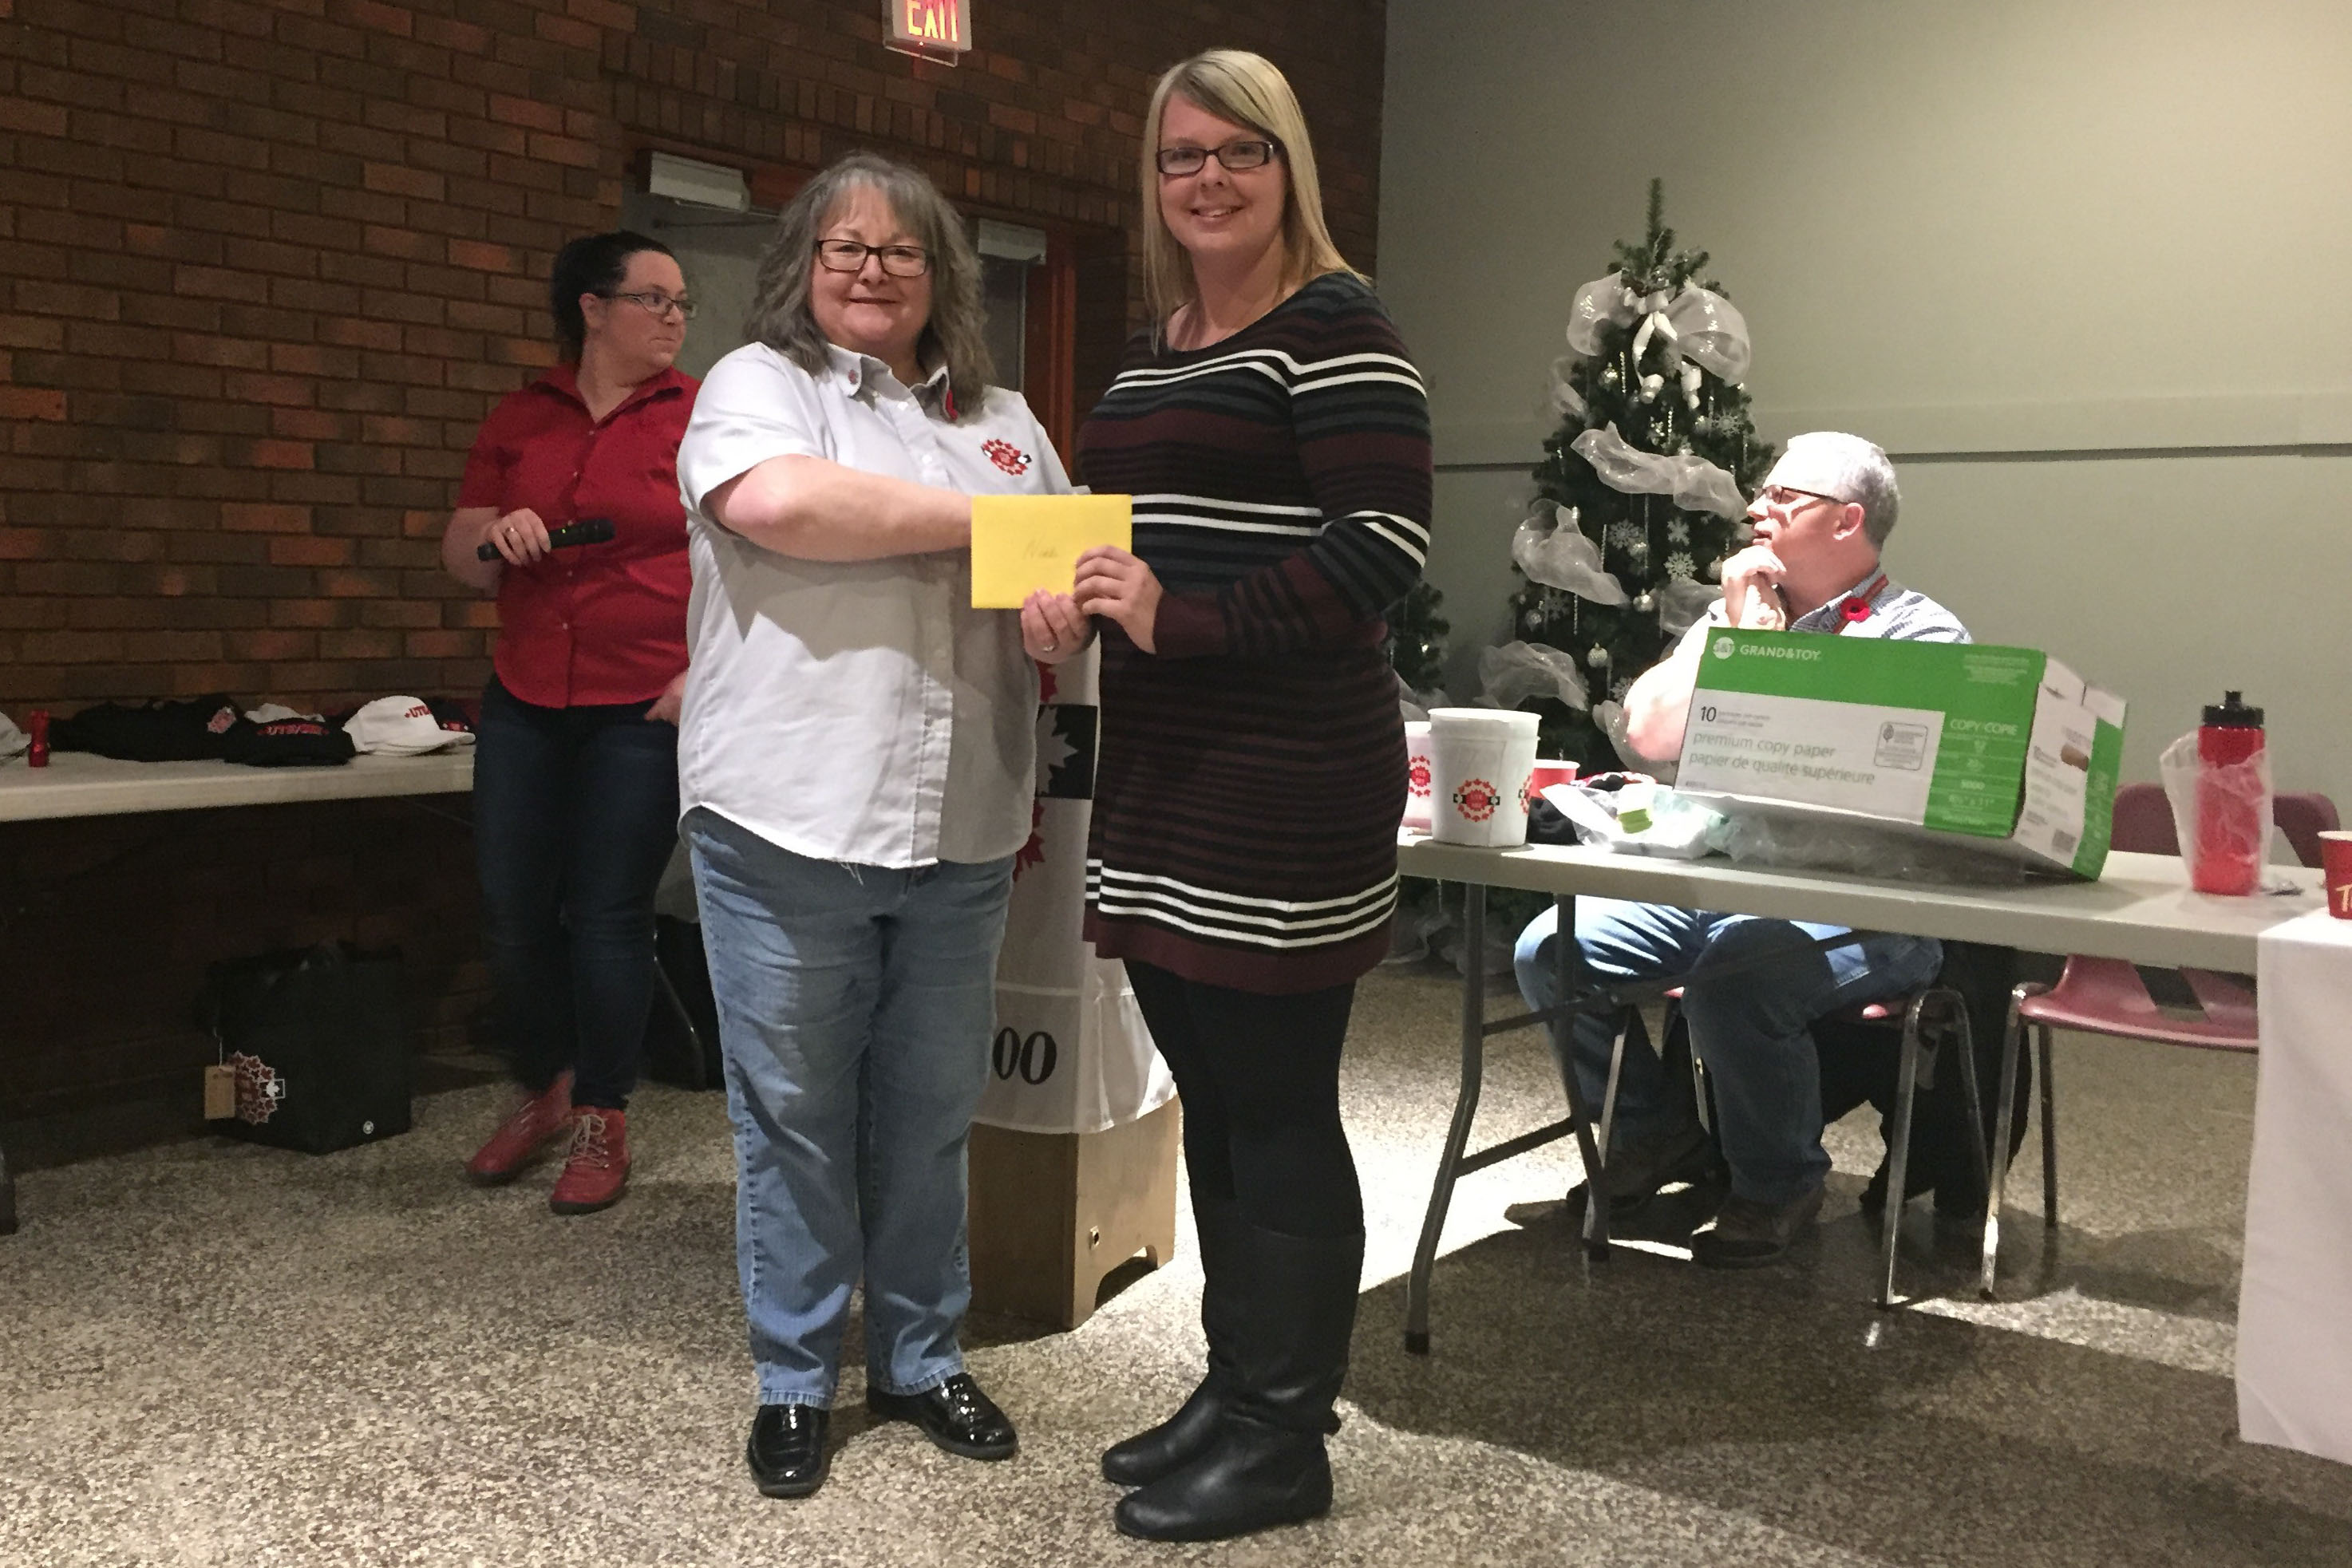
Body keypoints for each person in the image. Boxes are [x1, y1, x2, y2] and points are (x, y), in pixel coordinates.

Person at [1024, 49, 1434, 1545]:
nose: (1206, 179)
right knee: (1215, 1095)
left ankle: (1284, 1432)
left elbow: (1378, 548)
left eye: (1237, 154)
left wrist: (1173, 618)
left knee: (1275, 1107)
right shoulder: (1161, 346)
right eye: (1180, 156)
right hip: (1168, 770)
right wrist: (1057, 593)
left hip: (1281, 778)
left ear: (1288, 169)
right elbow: (1123, 532)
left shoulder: (1340, 330)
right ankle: (1237, 1382)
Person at [674, 152, 1071, 1503]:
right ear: (803, 264)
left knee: (928, 1115)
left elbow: (1059, 574)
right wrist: (995, 530)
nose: (870, 270)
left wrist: (1056, 592)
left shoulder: (1008, 423)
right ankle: (796, 1378)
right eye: (844, 248)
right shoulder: (755, 388)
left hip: (961, 829)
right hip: (786, 822)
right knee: (789, 1114)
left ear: (940, 276)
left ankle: (913, 1357)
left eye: (901, 252)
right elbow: (785, 507)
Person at [1512, 432, 1970, 1267]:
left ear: (1847, 522)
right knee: (1553, 949)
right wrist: (1730, 637)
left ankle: (1777, 1182)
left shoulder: (1921, 638)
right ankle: (1656, 1137)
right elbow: (1646, 738)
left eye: (1784, 498)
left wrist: (1761, 656)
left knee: (1736, 973)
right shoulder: (1737, 617)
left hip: (1862, 907)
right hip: (1721, 881)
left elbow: (1837, 773)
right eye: (1763, 494)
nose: (1756, 509)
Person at [442, 231, 698, 1215]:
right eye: (655, 300)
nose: (674, 318)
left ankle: (604, 1110)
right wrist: (496, 537)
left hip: (643, 700)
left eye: (682, 304)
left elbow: (738, 559)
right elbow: (461, 551)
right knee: (512, 914)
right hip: (526, 695)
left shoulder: (702, 414)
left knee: (606, 916)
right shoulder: (523, 415)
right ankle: (543, 1087)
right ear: (592, 309)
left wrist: (698, 677)